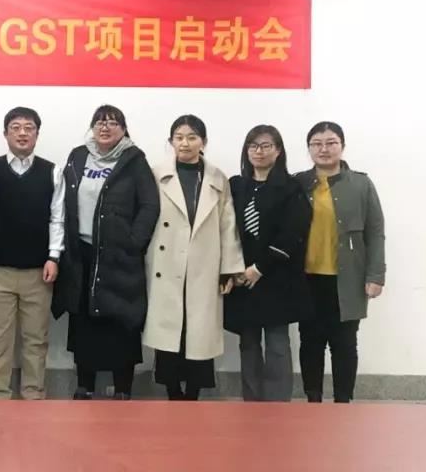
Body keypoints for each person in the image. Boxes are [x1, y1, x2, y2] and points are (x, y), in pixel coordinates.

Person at [53, 105, 159, 400]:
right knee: (83, 323)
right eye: (99, 122)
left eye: (113, 123)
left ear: (123, 130)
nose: (105, 127)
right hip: (83, 255)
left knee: (121, 321)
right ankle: (84, 385)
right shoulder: (78, 156)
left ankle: (123, 387)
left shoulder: (134, 160)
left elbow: (149, 205)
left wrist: (134, 243)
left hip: (119, 257)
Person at [145, 115, 244, 401]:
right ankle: (172, 391)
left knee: (199, 332)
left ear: (203, 142)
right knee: (170, 331)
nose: (185, 143)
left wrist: (229, 269)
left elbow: (228, 224)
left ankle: (194, 393)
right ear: (171, 141)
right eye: (178, 137)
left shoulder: (217, 178)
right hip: (166, 264)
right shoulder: (156, 174)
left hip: (204, 264)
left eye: (192, 137)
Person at [295, 121, 386, 403]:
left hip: (347, 278)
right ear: (309, 149)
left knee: (344, 343)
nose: (324, 149)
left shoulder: (361, 184)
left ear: (342, 146)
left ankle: (343, 402)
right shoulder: (298, 183)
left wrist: (375, 275)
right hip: (307, 278)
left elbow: (375, 231)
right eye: (316, 144)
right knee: (310, 341)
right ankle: (313, 400)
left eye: (331, 142)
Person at [0, 107, 64, 400]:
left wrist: (53, 256)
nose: (22, 133)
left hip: (38, 271)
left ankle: (33, 392)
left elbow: (57, 218)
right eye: (15, 127)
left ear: (37, 134)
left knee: (35, 338)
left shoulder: (52, 171)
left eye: (29, 128)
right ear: (5, 134)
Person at [224, 125, 312, 402]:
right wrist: (233, 269)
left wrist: (260, 268)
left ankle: (277, 403)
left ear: (278, 151)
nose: (259, 151)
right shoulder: (236, 186)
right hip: (242, 277)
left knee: (277, 344)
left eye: (266, 146)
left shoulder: (291, 187)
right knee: (248, 342)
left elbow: (292, 232)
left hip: (277, 276)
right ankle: (251, 401)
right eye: (253, 146)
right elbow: (226, 229)